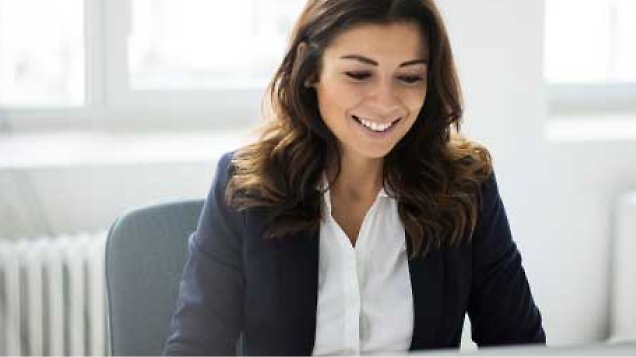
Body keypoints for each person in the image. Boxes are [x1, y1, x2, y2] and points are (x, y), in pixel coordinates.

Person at [163, 0, 545, 355]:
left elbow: (519, 343)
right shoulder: (245, 185)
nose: (385, 100)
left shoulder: (465, 186)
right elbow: (196, 347)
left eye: (409, 77)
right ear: (310, 69)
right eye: (359, 74)